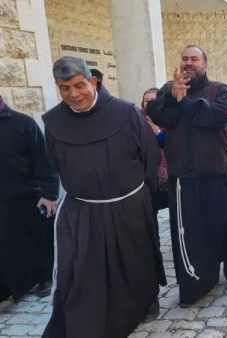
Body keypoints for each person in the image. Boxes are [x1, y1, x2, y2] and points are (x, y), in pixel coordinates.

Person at [42, 56, 165, 337]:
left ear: (93, 81)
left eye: (78, 85)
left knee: (137, 259)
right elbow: (55, 162)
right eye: (64, 88)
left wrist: (136, 195)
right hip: (84, 209)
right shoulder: (53, 122)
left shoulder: (126, 113)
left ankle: (146, 300)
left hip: (129, 203)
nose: (73, 94)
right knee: (85, 268)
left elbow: (150, 156)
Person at [146, 45, 227, 306]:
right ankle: (196, 284)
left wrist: (183, 101)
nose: (189, 63)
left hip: (217, 173)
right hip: (184, 179)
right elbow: (156, 114)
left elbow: (215, 117)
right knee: (190, 235)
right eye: (185, 59)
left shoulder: (219, 90)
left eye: (195, 59)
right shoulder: (169, 88)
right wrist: (171, 97)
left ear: (205, 65)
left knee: (225, 226)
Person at [0, 95, 59, 302]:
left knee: (38, 241)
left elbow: (45, 161)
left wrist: (49, 194)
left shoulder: (23, 123)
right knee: (6, 245)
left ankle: (44, 279)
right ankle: (11, 287)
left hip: (28, 196)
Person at [141, 88, 169, 231]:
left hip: (169, 179)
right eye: (147, 101)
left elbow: (172, 144)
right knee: (150, 219)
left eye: (153, 100)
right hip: (148, 178)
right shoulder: (137, 120)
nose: (150, 104)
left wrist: (157, 132)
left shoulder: (168, 118)